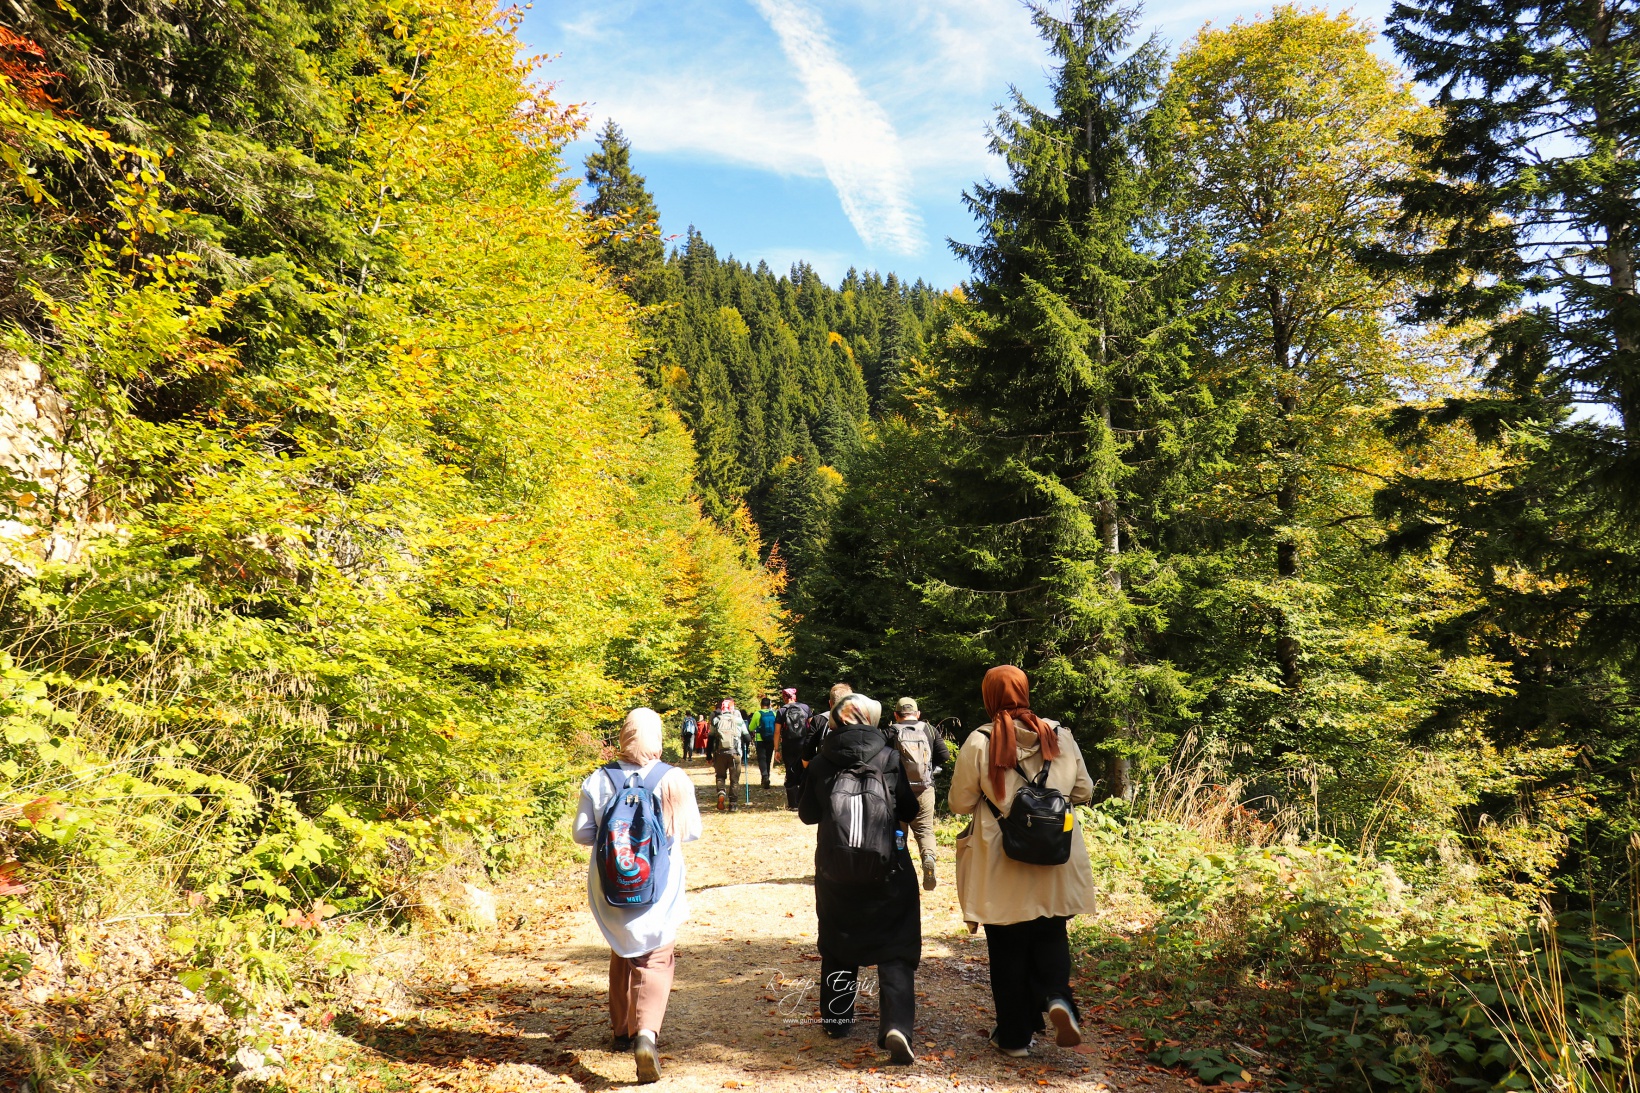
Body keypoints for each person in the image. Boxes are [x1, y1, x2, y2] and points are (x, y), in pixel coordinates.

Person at [949, 665, 1095, 1058]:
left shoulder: (980, 741)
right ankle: (1057, 997)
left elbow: (960, 802)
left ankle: (1014, 1038)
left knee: (1008, 947)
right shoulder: (1059, 735)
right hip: (1056, 855)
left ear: (989, 697)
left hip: (1002, 859)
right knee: (1051, 932)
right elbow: (1083, 791)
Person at [571, 708, 702, 1084]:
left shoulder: (599, 779)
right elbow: (690, 831)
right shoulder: (673, 778)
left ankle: (621, 1031)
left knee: (622, 949)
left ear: (625, 735)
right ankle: (646, 1035)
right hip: (658, 885)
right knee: (656, 956)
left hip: (611, 883)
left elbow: (582, 834)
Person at [798, 693, 921, 1066]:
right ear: (872, 719)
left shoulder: (822, 760)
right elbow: (911, 809)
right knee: (896, 942)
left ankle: (837, 1020)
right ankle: (897, 1024)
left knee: (838, 938)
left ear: (835, 720)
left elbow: (807, 814)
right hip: (888, 865)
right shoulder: (889, 756)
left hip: (836, 868)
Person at [890, 697, 951, 891]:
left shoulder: (891, 731)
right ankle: (928, 858)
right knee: (925, 830)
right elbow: (945, 755)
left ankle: (899, 868)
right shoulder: (929, 729)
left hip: (898, 790)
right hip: (925, 789)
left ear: (896, 715)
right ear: (918, 713)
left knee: (898, 830)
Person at [772, 687, 812, 809]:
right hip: (803, 744)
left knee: (790, 771)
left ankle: (793, 804)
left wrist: (777, 750)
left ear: (784, 697)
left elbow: (777, 732)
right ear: (795, 696)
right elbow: (812, 727)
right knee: (805, 771)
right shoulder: (805, 708)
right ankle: (805, 802)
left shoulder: (782, 711)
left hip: (788, 745)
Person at [801, 682, 854, 767]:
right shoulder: (860, 721)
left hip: (824, 773)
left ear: (830, 703)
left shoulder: (819, 720)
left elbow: (807, 752)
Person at [710, 699, 749, 811]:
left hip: (720, 753)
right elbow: (747, 737)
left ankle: (721, 793)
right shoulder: (738, 720)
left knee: (720, 776)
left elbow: (711, 737)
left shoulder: (716, 720)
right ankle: (733, 804)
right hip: (735, 753)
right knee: (734, 779)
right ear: (732, 708)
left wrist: (708, 755)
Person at [749, 696, 778, 787]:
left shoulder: (757, 713)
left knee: (762, 759)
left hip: (760, 739)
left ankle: (764, 776)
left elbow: (751, 727)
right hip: (771, 739)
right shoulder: (774, 713)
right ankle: (767, 777)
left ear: (761, 705)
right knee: (768, 759)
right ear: (769, 705)